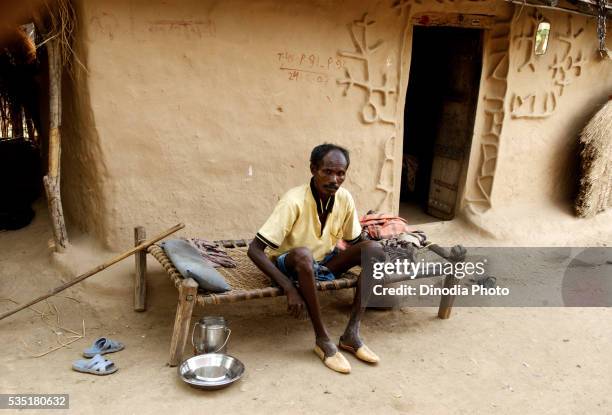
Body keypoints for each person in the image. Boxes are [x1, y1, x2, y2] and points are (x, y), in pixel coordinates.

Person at [247, 143, 385, 374]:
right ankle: (322, 340)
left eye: (341, 173)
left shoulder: (344, 198)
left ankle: (351, 334)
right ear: (313, 169)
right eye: (327, 171)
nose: (335, 179)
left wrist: (376, 257)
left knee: (374, 250)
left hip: (322, 263)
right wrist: (289, 288)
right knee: (303, 254)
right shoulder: (293, 201)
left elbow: (355, 241)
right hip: (289, 265)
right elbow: (254, 250)